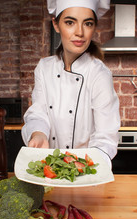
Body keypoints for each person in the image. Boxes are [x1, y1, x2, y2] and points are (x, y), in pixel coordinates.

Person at [21, 0, 120, 168]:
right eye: (70, 22)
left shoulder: (99, 74)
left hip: (87, 173)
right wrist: (38, 134)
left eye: (87, 23)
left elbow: (105, 138)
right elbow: (38, 113)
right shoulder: (44, 68)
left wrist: (85, 168)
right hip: (48, 170)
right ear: (56, 25)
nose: (79, 32)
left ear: (94, 27)